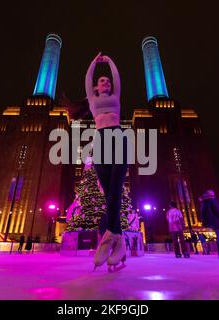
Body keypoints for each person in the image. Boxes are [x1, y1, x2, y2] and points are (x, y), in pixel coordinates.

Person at [76, 52, 128, 271]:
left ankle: (109, 237)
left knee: (115, 188)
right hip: (101, 141)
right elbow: (87, 79)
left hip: (118, 137)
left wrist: (110, 62)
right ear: (96, 88)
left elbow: (117, 77)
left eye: (107, 81)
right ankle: (119, 240)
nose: (106, 82)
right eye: (102, 81)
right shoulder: (93, 99)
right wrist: (93, 63)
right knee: (109, 193)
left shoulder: (115, 96)